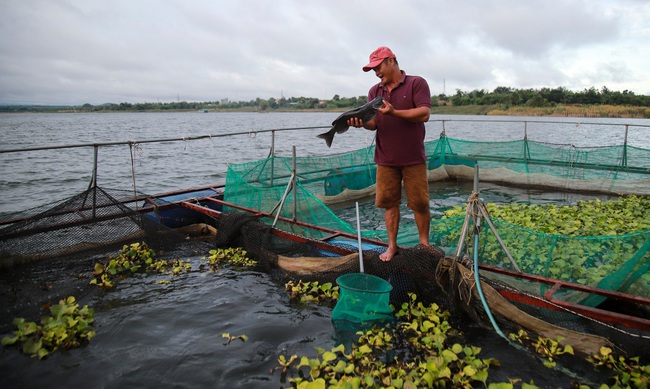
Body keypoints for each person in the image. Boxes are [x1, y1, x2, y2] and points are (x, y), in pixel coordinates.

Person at [347, 46, 432, 262]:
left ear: (392, 61)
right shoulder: (374, 92)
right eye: (372, 69)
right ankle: (392, 246)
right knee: (389, 203)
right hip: (385, 159)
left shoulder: (416, 83)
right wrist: (361, 123)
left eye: (378, 67)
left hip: (413, 158)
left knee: (420, 203)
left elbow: (424, 113)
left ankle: (424, 244)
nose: (376, 73)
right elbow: (374, 123)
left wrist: (394, 112)